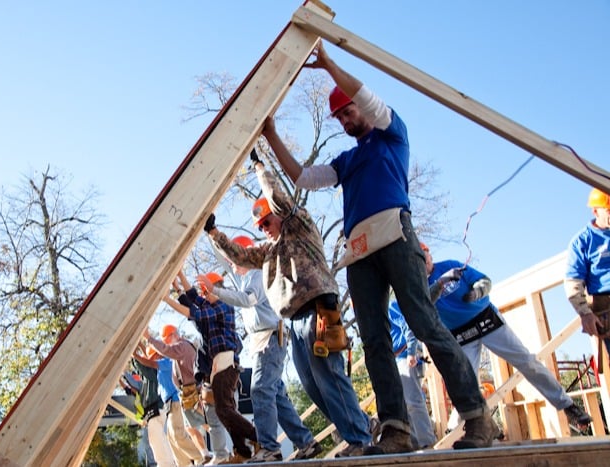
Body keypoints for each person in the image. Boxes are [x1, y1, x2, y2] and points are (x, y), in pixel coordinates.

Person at [259, 40, 496, 454]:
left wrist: (330, 66)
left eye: (348, 111)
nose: (345, 120)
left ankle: (476, 416)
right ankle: (395, 429)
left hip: (395, 236)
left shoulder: (391, 134)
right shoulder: (346, 161)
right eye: (340, 117)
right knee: (374, 339)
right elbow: (301, 177)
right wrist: (272, 135)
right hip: (360, 251)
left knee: (424, 323)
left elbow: (365, 94)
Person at [204, 159, 373, 458]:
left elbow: (280, 198)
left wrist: (258, 167)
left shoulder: (299, 227)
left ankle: (360, 437)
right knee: (313, 385)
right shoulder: (269, 252)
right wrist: (213, 233)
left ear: (279, 216)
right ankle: (359, 428)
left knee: (330, 376)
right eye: (259, 226)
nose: (263, 229)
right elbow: (240, 256)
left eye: (266, 222)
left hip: (318, 308)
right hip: (294, 320)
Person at [416, 243, 595, 431]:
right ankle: (466, 427)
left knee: (527, 361)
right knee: (464, 380)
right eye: (420, 257)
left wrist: (478, 291)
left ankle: (567, 405)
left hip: (486, 320)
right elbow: (424, 303)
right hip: (462, 334)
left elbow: (484, 281)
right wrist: (440, 283)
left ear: (429, 254)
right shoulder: (418, 284)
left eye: (426, 254)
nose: (425, 259)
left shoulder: (451, 265)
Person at [199, 236, 323, 463]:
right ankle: (306, 442)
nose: (232, 264)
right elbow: (226, 261)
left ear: (244, 254)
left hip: (270, 340)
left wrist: (216, 292)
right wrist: (212, 235)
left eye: (235, 257)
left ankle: (269, 448)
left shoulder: (257, 275)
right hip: (262, 342)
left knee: (260, 389)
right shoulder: (243, 278)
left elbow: (248, 300)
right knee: (275, 396)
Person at [163, 269, 259, 463]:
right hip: (219, 365)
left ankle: (257, 437)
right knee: (226, 412)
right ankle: (243, 451)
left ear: (217, 289)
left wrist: (166, 299)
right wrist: (180, 278)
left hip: (226, 364)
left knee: (224, 410)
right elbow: (192, 299)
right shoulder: (212, 305)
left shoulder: (223, 305)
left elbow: (192, 311)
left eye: (207, 292)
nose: (203, 296)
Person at [145, 324, 212, 465]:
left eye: (166, 340)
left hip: (189, 391)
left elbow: (163, 351)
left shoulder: (180, 348)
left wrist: (148, 338)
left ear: (173, 335)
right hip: (185, 393)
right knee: (190, 428)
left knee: (196, 426)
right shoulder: (178, 351)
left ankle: (204, 456)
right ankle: (200, 457)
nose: (166, 344)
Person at [566, 187, 610, 358]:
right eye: (608, 210)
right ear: (595, 211)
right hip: (606, 304)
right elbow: (573, 282)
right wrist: (585, 313)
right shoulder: (583, 241)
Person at [387, 301, 437, 449]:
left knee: (413, 400)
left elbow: (407, 326)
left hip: (404, 355)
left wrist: (411, 352)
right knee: (402, 404)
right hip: (392, 359)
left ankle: (427, 441)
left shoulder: (390, 307)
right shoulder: (372, 314)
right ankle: (414, 442)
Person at [131, 342, 178, 467]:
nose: (149, 359)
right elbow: (140, 366)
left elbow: (142, 366)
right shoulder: (154, 371)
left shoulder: (155, 371)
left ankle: (166, 464)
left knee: (156, 438)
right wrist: (138, 348)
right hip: (156, 409)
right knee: (158, 437)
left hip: (157, 408)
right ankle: (168, 463)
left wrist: (134, 353)